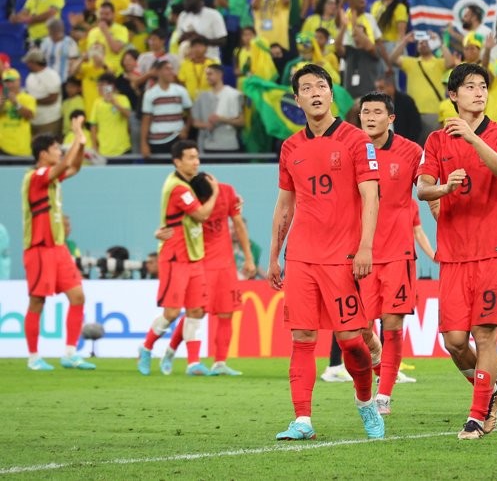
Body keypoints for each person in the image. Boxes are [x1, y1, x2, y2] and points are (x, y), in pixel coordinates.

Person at [269, 64, 384, 441]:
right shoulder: (290, 147)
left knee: (351, 341)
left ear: (331, 94)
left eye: (321, 86)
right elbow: (285, 205)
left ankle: (366, 402)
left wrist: (365, 246)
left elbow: (371, 195)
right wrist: (275, 254)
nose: (315, 92)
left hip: (342, 256)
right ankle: (302, 419)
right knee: (302, 337)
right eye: (307, 87)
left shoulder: (355, 140)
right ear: (298, 99)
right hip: (301, 255)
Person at [417, 62, 497, 440]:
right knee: (455, 342)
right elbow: (422, 189)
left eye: (482, 86)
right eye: (470, 86)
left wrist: (474, 139)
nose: (478, 92)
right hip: (453, 254)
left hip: (491, 251)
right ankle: (490, 386)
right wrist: (444, 188)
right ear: (453, 95)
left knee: (485, 334)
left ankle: (477, 415)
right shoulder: (437, 140)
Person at [357, 91, 423, 416]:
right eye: (365, 112)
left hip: (398, 252)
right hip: (362, 255)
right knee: (359, 330)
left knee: (393, 323)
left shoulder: (411, 152)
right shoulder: (351, 150)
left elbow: (426, 190)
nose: (370, 117)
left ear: (391, 118)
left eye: (376, 112)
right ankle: (381, 363)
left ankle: (383, 395)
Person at [159, 173, 256, 375]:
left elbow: (238, 224)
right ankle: (170, 351)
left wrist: (249, 258)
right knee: (197, 312)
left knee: (226, 312)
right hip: (200, 261)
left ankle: (220, 363)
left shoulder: (228, 191)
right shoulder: (186, 196)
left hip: (225, 264)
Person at [136, 140, 218, 376]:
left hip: (193, 255)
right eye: (190, 157)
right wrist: (215, 194)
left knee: (195, 311)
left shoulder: (188, 184)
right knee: (172, 312)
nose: (196, 161)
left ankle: (193, 363)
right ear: (177, 162)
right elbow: (201, 215)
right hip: (175, 256)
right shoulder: (178, 188)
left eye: (197, 156)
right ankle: (146, 347)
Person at [21, 121, 94, 371]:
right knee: (37, 302)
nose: (59, 152)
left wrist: (81, 143)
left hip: (58, 248)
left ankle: (70, 353)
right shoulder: (35, 176)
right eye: (55, 148)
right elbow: (65, 164)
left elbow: (74, 167)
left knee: (77, 296)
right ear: (44, 154)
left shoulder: (51, 179)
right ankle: (33, 357)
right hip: (39, 248)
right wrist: (75, 135)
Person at [141, 60, 192, 159]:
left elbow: (190, 112)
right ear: (158, 72)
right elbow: (146, 120)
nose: (171, 72)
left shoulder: (181, 91)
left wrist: (186, 129)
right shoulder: (150, 93)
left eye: (172, 69)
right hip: (157, 141)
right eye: (167, 69)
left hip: (177, 139)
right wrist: (143, 143)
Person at [191, 64, 244, 153]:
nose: (207, 77)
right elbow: (195, 122)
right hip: (208, 145)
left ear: (220, 74)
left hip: (229, 145)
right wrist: (207, 125)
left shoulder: (234, 94)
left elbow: (242, 122)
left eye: (210, 74)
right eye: (206, 74)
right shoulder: (202, 96)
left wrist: (222, 119)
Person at [87, 73, 131, 158]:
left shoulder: (123, 99)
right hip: (104, 150)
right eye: (98, 85)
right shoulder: (97, 103)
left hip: (122, 149)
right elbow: (93, 126)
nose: (99, 88)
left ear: (112, 86)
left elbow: (128, 115)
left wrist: (114, 102)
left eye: (102, 85)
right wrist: (95, 146)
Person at [0, 69, 37, 157]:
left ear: (19, 81)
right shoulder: (1, 98)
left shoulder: (28, 98)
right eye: (7, 82)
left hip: (20, 146)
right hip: (2, 145)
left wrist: (16, 103)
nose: (10, 85)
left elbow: (29, 116)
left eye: (12, 81)